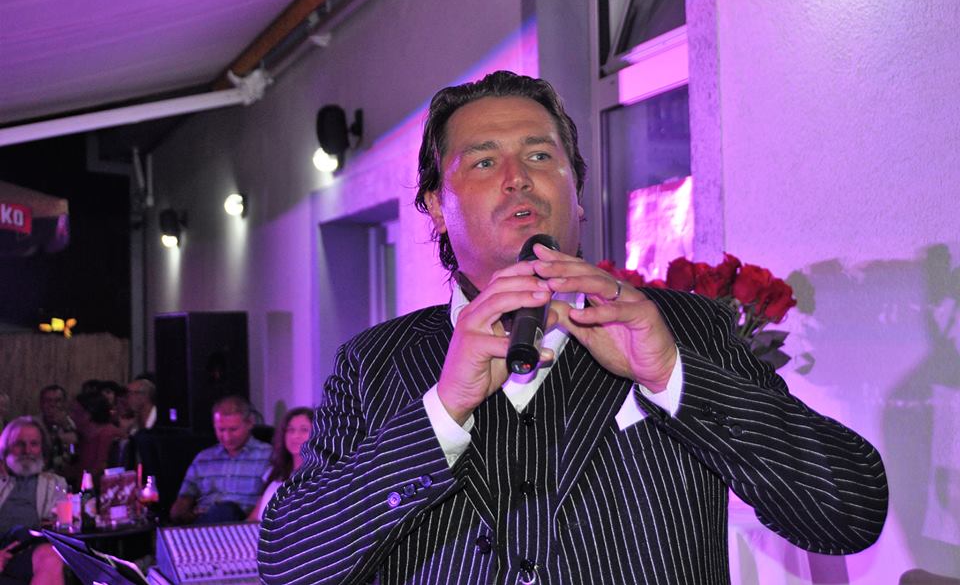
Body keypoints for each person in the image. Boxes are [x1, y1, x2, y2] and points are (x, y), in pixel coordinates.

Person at [258, 71, 888, 584]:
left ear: (577, 193)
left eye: (540, 155)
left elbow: (848, 512)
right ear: (436, 207)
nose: (518, 176)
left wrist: (673, 377)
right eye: (484, 161)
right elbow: (288, 564)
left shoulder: (686, 328)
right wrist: (440, 413)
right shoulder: (373, 363)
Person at [170, 396, 271, 524]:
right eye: (221, 430)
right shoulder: (204, 458)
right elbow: (185, 496)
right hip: (205, 521)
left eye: (233, 429)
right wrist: (181, 513)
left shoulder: (268, 456)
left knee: (225, 510)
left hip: (243, 524)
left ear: (250, 423)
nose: (227, 437)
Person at [0, 417, 67, 585]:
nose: (27, 450)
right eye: (19, 444)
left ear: (42, 449)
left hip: (31, 550)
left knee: (51, 555)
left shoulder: (55, 484)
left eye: (34, 444)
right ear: (6, 448)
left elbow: (63, 526)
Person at [247, 408, 314, 522]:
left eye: (304, 430)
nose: (295, 436)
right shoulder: (275, 472)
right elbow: (253, 518)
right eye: (290, 430)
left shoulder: (322, 475)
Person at [35, 386, 77, 488]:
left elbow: (74, 454)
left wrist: (65, 426)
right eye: (48, 401)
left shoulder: (72, 424)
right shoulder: (33, 425)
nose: (52, 405)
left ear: (64, 403)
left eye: (57, 401)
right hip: (38, 477)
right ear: (41, 404)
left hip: (66, 478)